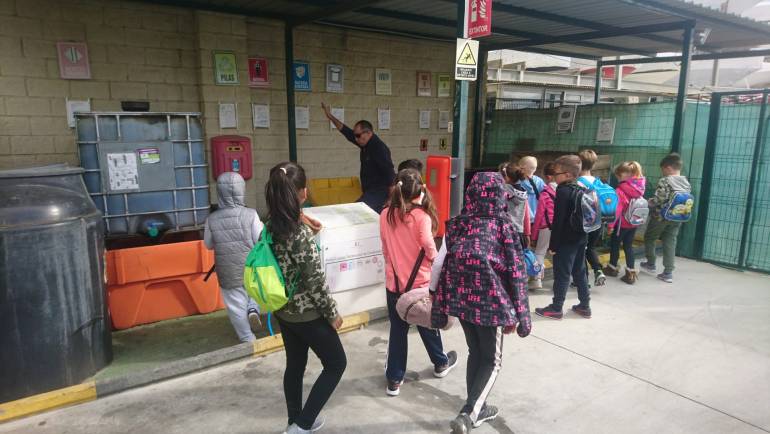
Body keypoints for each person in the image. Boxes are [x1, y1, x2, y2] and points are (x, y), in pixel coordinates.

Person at [431, 172, 532, 434]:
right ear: (500, 195)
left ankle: (477, 403)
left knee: (476, 352)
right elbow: (517, 275)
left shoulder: (458, 225)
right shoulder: (505, 227)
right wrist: (522, 318)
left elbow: (439, 263)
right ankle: (470, 414)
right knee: (493, 360)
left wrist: (435, 296)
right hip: (492, 306)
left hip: (462, 301)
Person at [265, 162, 346, 434]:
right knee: (336, 363)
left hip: (283, 310)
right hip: (307, 314)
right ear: (299, 193)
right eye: (304, 187)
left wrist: (304, 221)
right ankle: (302, 426)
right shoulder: (298, 234)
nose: (307, 190)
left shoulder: (271, 226)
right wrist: (332, 313)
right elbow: (314, 280)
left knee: (295, 365)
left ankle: (294, 419)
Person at [379, 169, 457, 397]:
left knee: (398, 330)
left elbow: (385, 248)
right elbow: (430, 250)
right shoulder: (421, 217)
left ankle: (394, 379)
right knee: (426, 322)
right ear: (420, 190)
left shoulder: (385, 214)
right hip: (420, 284)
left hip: (394, 284)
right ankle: (440, 363)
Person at [203, 172, 263, 343]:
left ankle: (247, 338)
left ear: (219, 193)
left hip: (227, 269)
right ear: (241, 190)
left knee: (236, 305)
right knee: (254, 291)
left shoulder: (211, 219)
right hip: (251, 266)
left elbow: (208, 245)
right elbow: (259, 238)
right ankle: (253, 309)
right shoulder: (251, 214)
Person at [535, 155, 592, 320]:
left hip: (566, 240)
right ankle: (584, 305)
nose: (553, 177)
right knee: (580, 271)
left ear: (567, 174)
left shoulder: (562, 191)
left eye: (556, 173)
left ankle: (556, 307)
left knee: (562, 273)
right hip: (581, 237)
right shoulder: (580, 187)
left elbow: (558, 221)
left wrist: (553, 245)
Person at [322, 102, 396, 213]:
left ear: (369, 133)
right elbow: (346, 132)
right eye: (355, 135)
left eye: (358, 135)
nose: (356, 139)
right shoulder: (364, 143)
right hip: (369, 191)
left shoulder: (379, 148)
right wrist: (330, 116)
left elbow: (390, 175)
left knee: (356, 211)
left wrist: (391, 199)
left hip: (380, 192)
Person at [641, 153, 692, 283]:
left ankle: (651, 263)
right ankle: (668, 272)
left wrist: (648, 202)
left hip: (660, 216)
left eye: (663, 169)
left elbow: (659, 199)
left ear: (668, 168)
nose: (662, 172)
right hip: (678, 216)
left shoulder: (665, 180)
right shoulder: (686, 181)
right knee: (670, 240)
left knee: (650, 237)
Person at [603, 161, 646, 285]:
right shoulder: (639, 188)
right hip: (633, 223)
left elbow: (617, 210)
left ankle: (612, 268)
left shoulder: (620, 190)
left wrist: (611, 226)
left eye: (618, 175)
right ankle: (631, 273)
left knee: (615, 245)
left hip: (621, 224)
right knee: (628, 246)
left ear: (625, 175)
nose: (617, 178)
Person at [577, 150, 607, 287]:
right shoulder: (598, 182)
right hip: (599, 221)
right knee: (591, 248)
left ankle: (583, 281)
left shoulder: (578, 183)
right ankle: (598, 270)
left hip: (584, 222)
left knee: (581, 249)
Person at [530, 162, 558, 290]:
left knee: (540, 253)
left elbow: (539, 215)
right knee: (558, 254)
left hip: (546, 227)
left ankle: (537, 280)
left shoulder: (545, 194)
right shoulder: (565, 190)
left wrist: (534, 236)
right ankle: (559, 281)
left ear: (548, 177)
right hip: (561, 228)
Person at [500, 162, 532, 249]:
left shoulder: (504, 189)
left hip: (505, 231)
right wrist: (527, 233)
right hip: (519, 231)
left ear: (506, 177)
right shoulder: (523, 191)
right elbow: (526, 215)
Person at [516, 156, 546, 221]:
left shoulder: (516, 180)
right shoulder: (539, 181)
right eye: (533, 167)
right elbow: (545, 196)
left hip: (520, 216)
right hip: (535, 215)